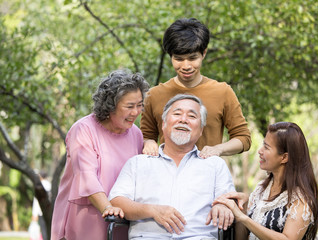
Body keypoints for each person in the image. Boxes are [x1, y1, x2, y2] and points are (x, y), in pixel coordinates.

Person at [107, 94, 236, 239]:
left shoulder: (215, 165)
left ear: (200, 130)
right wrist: (152, 210)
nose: (183, 120)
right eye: (177, 114)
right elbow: (116, 201)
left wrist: (223, 206)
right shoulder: (138, 163)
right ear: (163, 124)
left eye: (192, 116)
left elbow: (229, 200)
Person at [51, 69, 150, 240]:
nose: (136, 112)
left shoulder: (136, 134)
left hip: (119, 218)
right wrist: (107, 208)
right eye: (129, 106)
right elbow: (86, 175)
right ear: (111, 105)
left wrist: (150, 143)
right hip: (86, 216)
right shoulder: (83, 129)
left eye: (139, 105)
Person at [141, 18, 251, 158]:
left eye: (193, 58)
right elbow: (144, 136)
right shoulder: (154, 95)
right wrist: (148, 142)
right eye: (179, 59)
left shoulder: (223, 92)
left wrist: (218, 149)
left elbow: (243, 138)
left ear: (203, 53)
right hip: (166, 175)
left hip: (207, 175)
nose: (186, 66)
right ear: (170, 57)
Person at [213, 122, 318, 240]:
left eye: (267, 147)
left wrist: (244, 218)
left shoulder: (301, 199)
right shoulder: (261, 189)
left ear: (284, 157)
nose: (260, 151)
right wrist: (241, 208)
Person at [31, 170, 51, 240]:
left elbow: (36, 201)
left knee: (44, 230)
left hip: (41, 211)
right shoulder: (50, 185)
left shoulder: (39, 185)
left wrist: (34, 214)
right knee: (49, 229)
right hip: (50, 211)